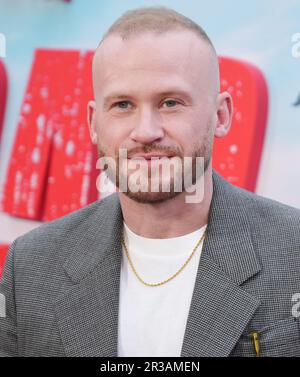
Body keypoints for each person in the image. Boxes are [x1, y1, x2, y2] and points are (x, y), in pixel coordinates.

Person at [1, 6, 300, 358]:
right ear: (95, 123)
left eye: (171, 102)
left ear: (221, 116)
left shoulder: (293, 251)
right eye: (123, 105)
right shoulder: (31, 266)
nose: (146, 131)